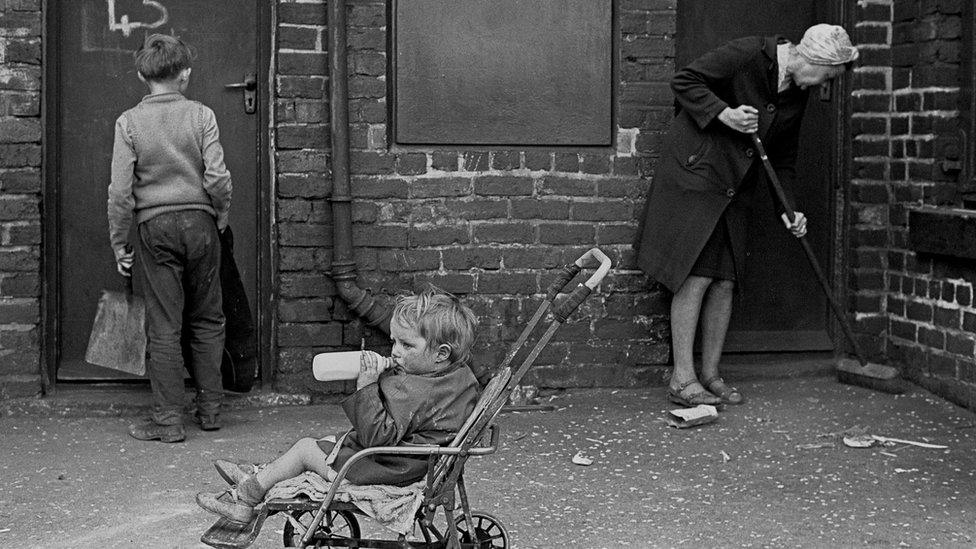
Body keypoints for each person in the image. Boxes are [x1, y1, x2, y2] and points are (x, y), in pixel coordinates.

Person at [633, 24, 858, 406]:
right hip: (699, 173)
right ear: (811, 58)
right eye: (827, 76)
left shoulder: (796, 92)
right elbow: (685, 81)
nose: (821, 86)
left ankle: (710, 374)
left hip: (737, 186)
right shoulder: (748, 54)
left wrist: (789, 208)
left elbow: (783, 159)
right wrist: (725, 114)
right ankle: (681, 378)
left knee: (726, 279)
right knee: (698, 274)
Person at [195, 287, 480, 523]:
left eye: (407, 345)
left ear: (441, 354)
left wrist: (367, 386)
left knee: (306, 448)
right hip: (414, 463)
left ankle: (246, 499)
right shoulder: (459, 377)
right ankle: (260, 473)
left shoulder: (412, 391)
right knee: (331, 441)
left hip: (389, 471)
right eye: (394, 341)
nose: (395, 351)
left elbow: (376, 437)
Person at [108, 34, 233, 442]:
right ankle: (211, 412)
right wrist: (221, 214)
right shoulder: (201, 115)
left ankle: (168, 422)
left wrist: (118, 241)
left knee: (163, 325)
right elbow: (217, 177)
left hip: (154, 228)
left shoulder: (128, 123)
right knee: (208, 318)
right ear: (185, 74)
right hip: (201, 223)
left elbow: (120, 193)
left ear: (142, 74)